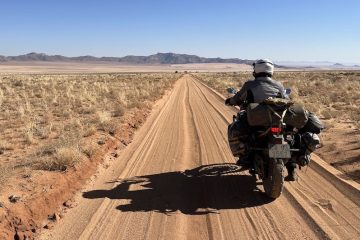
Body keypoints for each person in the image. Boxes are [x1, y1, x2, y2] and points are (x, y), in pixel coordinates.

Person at [225, 59, 298, 181]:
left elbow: (237, 98)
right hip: (275, 120)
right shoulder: (279, 85)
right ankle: (292, 168)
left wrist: (230, 101)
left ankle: (244, 157)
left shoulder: (249, 85)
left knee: (237, 128)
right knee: (288, 137)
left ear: (256, 70)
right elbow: (286, 100)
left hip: (255, 120)